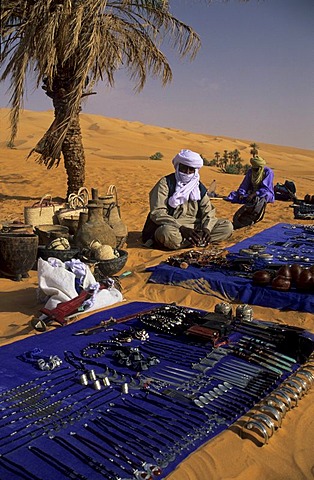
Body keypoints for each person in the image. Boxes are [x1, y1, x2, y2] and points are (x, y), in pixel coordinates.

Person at [142, 149, 233, 250]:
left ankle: (192, 241)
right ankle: (196, 241)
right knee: (166, 233)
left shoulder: (198, 187)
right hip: (172, 226)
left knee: (227, 226)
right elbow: (157, 213)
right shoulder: (165, 184)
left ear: (195, 171)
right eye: (183, 169)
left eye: (191, 170)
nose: (187, 173)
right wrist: (181, 228)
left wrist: (206, 229)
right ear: (177, 167)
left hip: (195, 226)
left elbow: (209, 212)